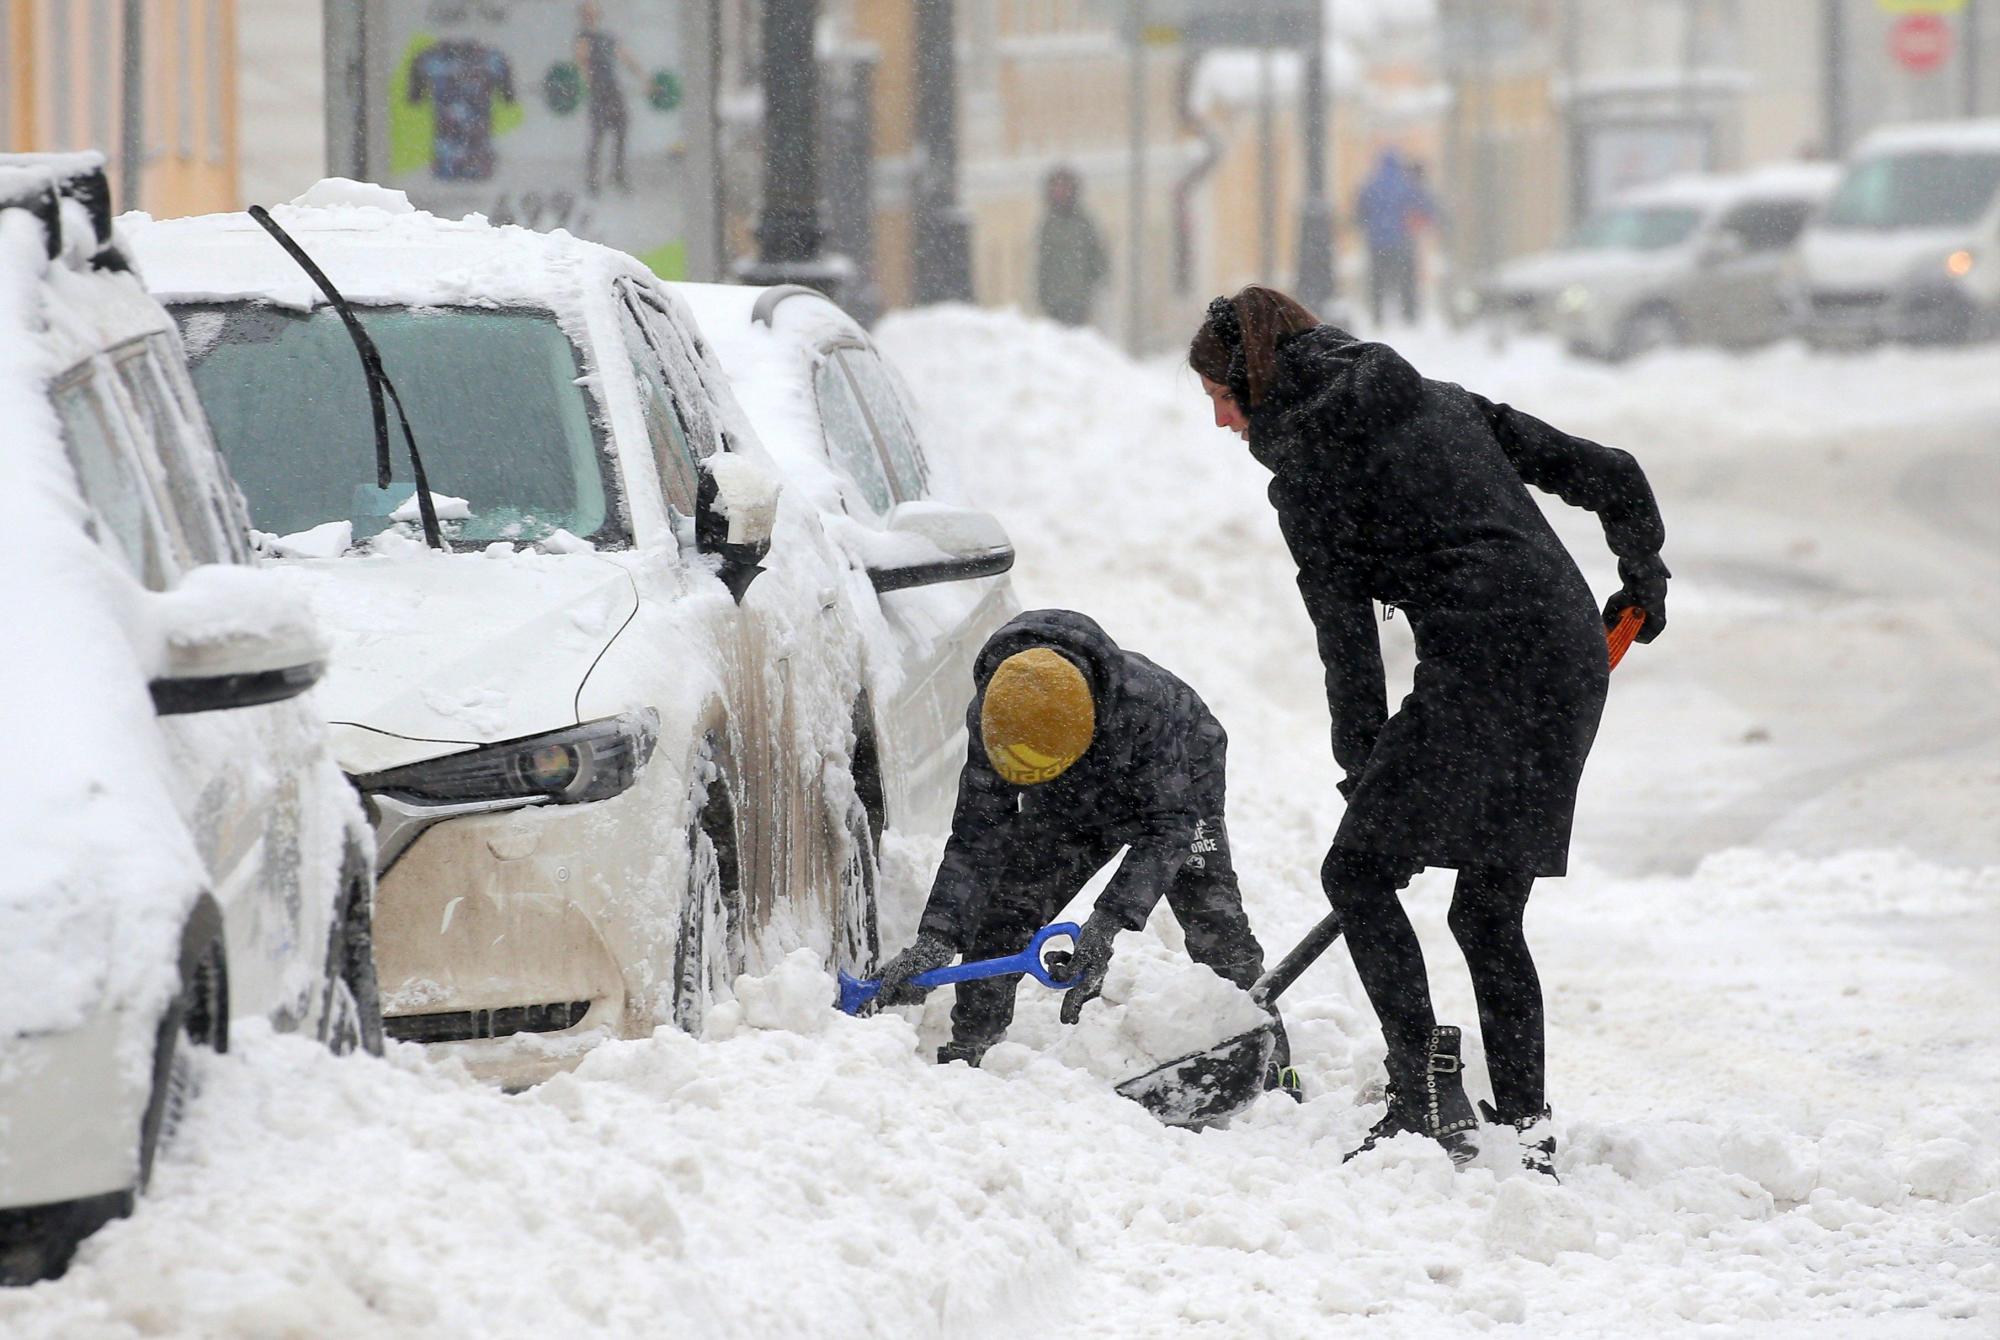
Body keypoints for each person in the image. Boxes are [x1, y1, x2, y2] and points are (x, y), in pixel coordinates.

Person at [1187, 286, 1669, 1173]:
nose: (1220, 422)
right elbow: (1612, 472)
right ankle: (1525, 1127)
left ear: (1253, 384)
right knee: (1487, 910)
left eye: (1220, 398)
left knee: (1356, 874)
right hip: (1566, 658)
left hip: (1485, 660)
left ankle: (1422, 1091)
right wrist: (1644, 574)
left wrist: (1362, 772)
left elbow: (1349, 648)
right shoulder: (1434, 397)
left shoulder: (1308, 474)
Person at [876, 610, 1278, 1072]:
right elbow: (976, 839)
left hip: (1180, 779)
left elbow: (1168, 828)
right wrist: (937, 937)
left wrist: (1105, 926)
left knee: (1214, 922)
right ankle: (972, 1047)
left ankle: (1270, 1063)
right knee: (1004, 909)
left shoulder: (1147, 709)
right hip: (1066, 796)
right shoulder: (998, 716)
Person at [1354, 148, 1438, 328]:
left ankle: (1378, 316)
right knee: (1406, 280)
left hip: (1376, 242)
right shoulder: (1408, 184)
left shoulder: (1370, 185)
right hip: (1403, 241)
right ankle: (1409, 315)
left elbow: (1360, 212)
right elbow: (1425, 206)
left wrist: (1371, 225)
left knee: (1377, 280)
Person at [576, 1, 643, 194]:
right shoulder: (584, 36)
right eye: (588, 12)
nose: (592, 15)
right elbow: (582, 61)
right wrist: (589, 84)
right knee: (598, 134)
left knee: (621, 128)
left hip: (611, 89)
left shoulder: (606, 36)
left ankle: (617, 173)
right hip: (599, 90)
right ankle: (593, 178)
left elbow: (625, 57)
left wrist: (644, 79)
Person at [1034, 167, 1109, 328]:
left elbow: (1097, 256)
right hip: (1053, 299)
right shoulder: (1049, 225)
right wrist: (1043, 291)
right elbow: (1043, 262)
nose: (1060, 192)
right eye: (1056, 188)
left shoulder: (1083, 222)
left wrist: (1092, 283)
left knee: (1074, 338)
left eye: (1064, 187)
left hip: (1078, 298)